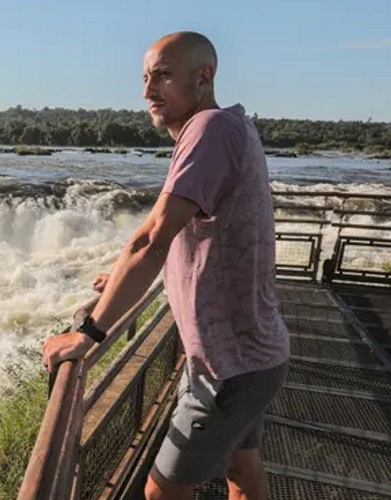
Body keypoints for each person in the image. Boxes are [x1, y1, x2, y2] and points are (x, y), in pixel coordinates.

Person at [42, 32, 290, 500]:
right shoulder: (231, 126)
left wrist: (89, 333)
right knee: (242, 471)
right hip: (253, 352)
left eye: (163, 75)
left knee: (161, 491)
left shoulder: (209, 128)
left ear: (203, 77)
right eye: (144, 77)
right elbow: (193, 233)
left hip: (230, 364)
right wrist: (117, 280)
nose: (148, 90)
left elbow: (152, 237)